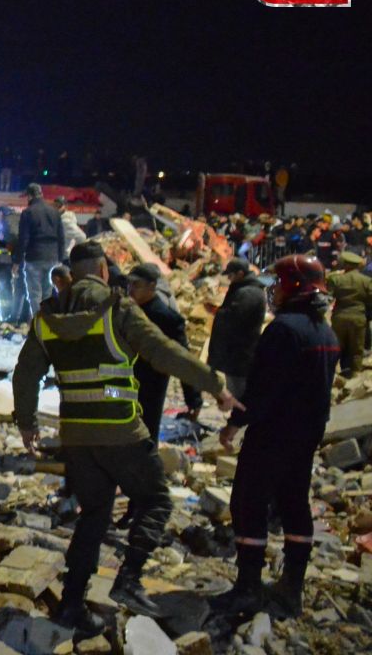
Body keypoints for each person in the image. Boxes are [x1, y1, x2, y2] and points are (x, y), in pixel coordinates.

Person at [12, 242, 240, 637]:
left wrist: (27, 423)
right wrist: (214, 385)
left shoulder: (48, 318)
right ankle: (129, 580)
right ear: (103, 270)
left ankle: (71, 606)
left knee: (94, 516)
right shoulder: (117, 310)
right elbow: (164, 352)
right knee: (155, 500)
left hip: (77, 436)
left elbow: (24, 373)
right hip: (121, 431)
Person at [212, 255, 339, 619]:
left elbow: (263, 386)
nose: (275, 291)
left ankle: (248, 588)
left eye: (280, 283)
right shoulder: (325, 332)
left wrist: (236, 422)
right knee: (294, 504)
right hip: (306, 435)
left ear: (295, 286)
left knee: (248, 504)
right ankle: (291, 587)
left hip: (273, 434)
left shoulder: (283, 330)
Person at [125, 263, 204, 438]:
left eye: (136, 285)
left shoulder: (166, 318)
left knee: (145, 433)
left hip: (149, 387)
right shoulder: (125, 311)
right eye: (128, 284)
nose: (130, 289)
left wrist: (193, 400)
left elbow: (182, 359)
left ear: (152, 286)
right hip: (121, 386)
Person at [207, 258, 267, 398]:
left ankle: (239, 418)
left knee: (239, 392)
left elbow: (236, 320)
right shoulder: (242, 289)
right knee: (234, 388)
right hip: (234, 353)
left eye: (231, 274)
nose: (228, 278)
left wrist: (218, 312)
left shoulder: (249, 293)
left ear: (240, 273)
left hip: (240, 353)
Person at [13, 183, 65, 320]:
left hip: (34, 257)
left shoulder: (28, 212)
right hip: (53, 258)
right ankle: (47, 322)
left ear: (29, 196)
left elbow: (23, 239)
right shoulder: (55, 211)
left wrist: (17, 262)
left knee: (34, 293)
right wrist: (60, 259)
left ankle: (38, 324)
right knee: (48, 292)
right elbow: (61, 237)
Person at [326, 251, 372, 375]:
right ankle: (355, 377)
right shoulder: (366, 281)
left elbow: (328, 296)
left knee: (336, 348)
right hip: (358, 317)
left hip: (339, 317)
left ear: (345, 264)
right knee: (357, 351)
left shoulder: (337, 279)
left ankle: (332, 375)